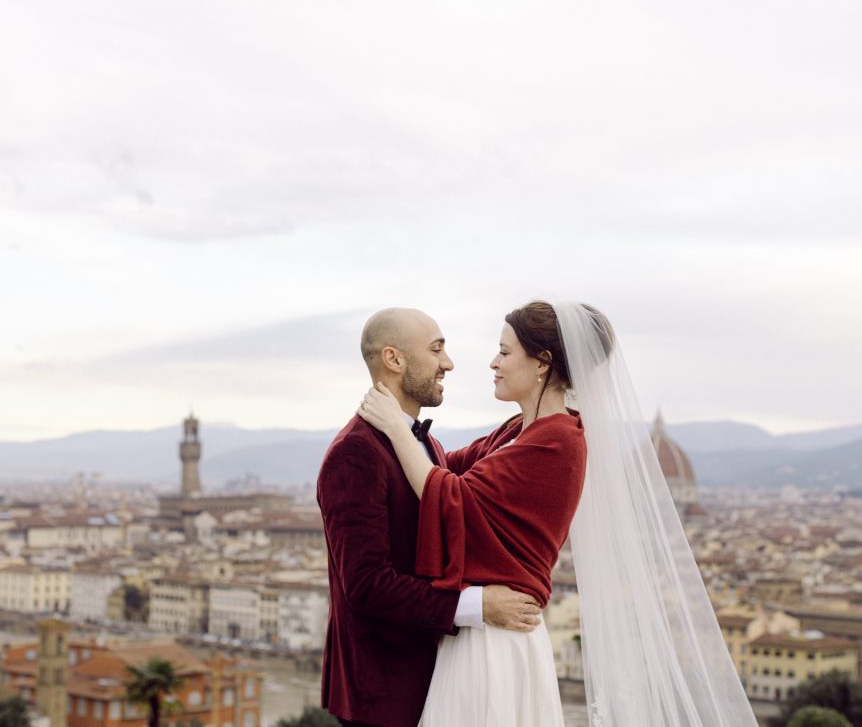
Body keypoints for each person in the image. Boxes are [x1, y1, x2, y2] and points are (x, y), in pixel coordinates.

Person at [358, 301, 759, 726]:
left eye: (505, 352)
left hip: (494, 642)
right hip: (482, 631)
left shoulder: (559, 441)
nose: (493, 362)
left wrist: (396, 427)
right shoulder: (520, 429)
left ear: (542, 364)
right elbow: (445, 464)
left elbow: (450, 495)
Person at [317, 307, 542, 727]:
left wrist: (542, 408)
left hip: (430, 682)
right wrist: (479, 605)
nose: (448, 363)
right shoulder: (355, 453)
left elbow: (471, 465)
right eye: (437, 349)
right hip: (383, 695)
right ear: (394, 360)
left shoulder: (423, 444)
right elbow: (366, 585)